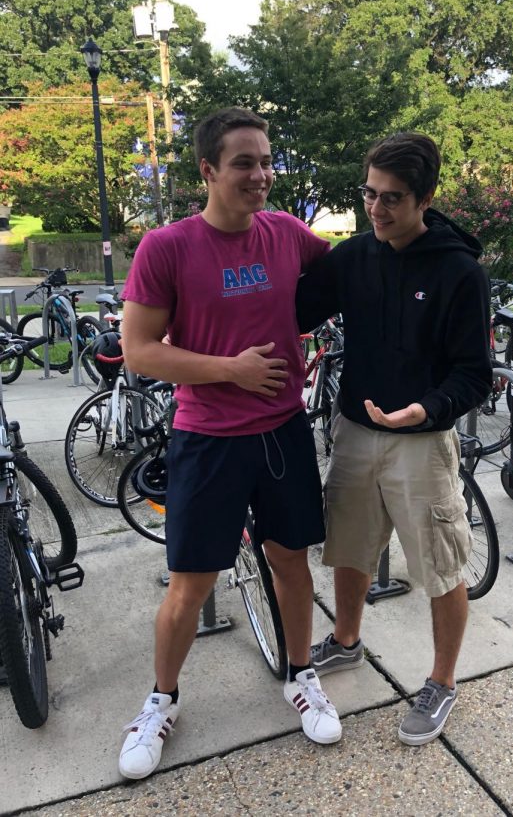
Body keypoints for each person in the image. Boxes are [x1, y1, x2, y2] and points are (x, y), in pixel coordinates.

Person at [118, 107, 342, 781]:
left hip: (281, 433)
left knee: (291, 561)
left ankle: (301, 676)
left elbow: (351, 272)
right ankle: (161, 701)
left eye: (266, 161)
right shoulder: (168, 247)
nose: (261, 175)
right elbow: (138, 351)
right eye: (244, 162)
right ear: (208, 170)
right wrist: (229, 370)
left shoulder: (286, 234)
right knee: (190, 584)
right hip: (206, 438)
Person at [296, 131, 492, 746]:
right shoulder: (356, 256)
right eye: (369, 194)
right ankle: (348, 641)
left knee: (439, 564)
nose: (376, 210)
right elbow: (294, 310)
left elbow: (474, 374)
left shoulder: (460, 271)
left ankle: (441, 682)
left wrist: (426, 409)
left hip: (421, 441)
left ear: (425, 198)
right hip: (355, 428)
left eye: (392, 198)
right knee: (350, 548)